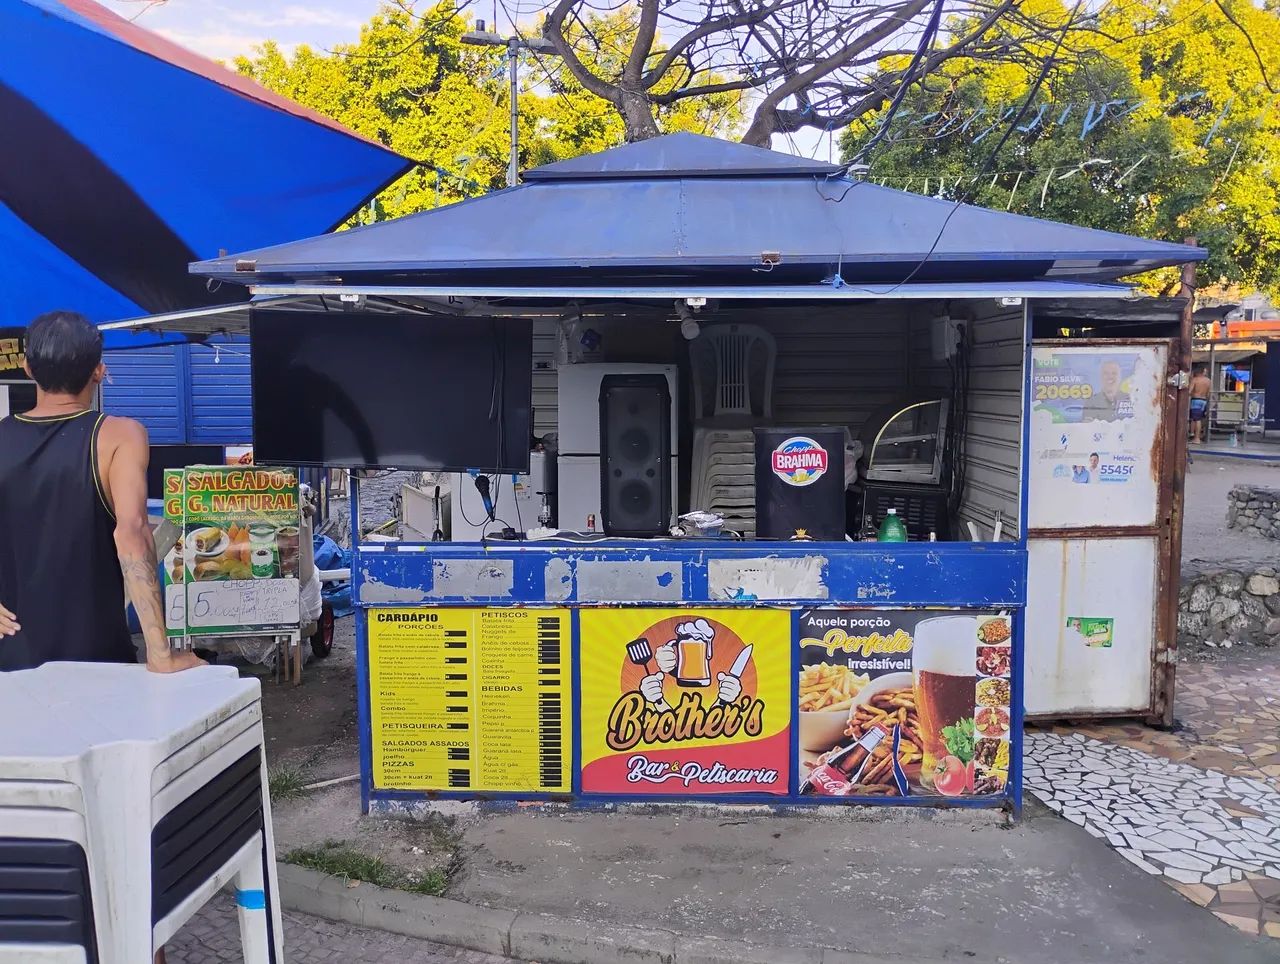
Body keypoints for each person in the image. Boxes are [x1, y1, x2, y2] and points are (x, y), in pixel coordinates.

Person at [0, 311, 201, 964]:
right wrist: (161, 651)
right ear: (99, 370)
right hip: (92, 660)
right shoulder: (116, 435)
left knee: (23, 815)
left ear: (25, 369)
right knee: (111, 812)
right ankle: (134, 947)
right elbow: (132, 535)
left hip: (11, 663)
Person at [1190, 365, 1212, 443]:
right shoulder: (1208, 381)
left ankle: (1197, 438)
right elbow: (1209, 393)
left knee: (1197, 419)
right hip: (1204, 401)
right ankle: (1195, 434)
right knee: (1199, 418)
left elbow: (1189, 391)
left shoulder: (1195, 380)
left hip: (1196, 400)